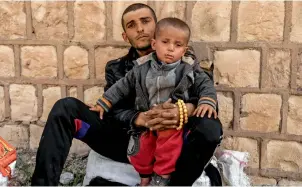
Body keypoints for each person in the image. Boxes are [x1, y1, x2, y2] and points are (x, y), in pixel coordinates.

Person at [31, 3, 223, 186]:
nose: (140, 28)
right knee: (66, 108)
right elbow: (113, 111)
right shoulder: (117, 68)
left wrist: (183, 111)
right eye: (132, 25)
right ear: (125, 36)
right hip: (132, 141)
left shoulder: (186, 59)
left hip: (173, 138)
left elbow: (208, 100)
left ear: (156, 27)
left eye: (145, 21)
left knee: (210, 127)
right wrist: (140, 119)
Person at [93, 17, 218, 186]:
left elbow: (206, 85)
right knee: (142, 150)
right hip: (148, 120)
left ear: (184, 50)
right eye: (165, 42)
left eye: (178, 45)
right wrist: (104, 102)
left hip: (171, 124)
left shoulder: (187, 68)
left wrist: (206, 101)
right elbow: (120, 87)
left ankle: (161, 177)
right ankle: (144, 176)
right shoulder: (140, 69)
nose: (171, 48)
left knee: (167, 150)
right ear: (154, 44)